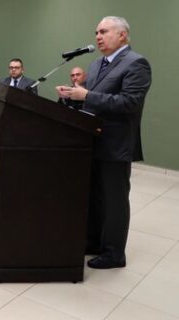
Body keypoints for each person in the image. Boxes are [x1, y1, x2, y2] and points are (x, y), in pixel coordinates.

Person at [57, 16, 151, 269]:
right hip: (92, 141)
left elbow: (129, 103)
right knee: (95, 198)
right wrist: (71, 96)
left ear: (122, 35)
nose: (98, 36)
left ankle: (114, 253)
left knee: (114, 201)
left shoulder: (136, 63)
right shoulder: (97, 63)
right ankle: (94, 242)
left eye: (104, 31)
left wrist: (86, 94)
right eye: (97, 32)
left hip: (116, 144)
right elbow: (91, 100)